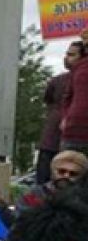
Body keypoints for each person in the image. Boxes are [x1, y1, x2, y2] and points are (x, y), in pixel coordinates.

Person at [35, 42, 81, 183]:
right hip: (51, 142)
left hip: (76, 144)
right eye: (67, 54)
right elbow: (49, 101)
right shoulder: (57, 81)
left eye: (72, 54)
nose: (66, 58)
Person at [16, 149, 88, 213]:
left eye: (73, 174)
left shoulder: (84, 200)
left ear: (81, 177)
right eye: (61, 171)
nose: (66, 176)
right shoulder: (33, 194)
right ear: (52, 172)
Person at [60, 34, 88, 156]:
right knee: (69, 171)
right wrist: (66, 117)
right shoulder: (79, 67)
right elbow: (67, 97)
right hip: (73, 132)